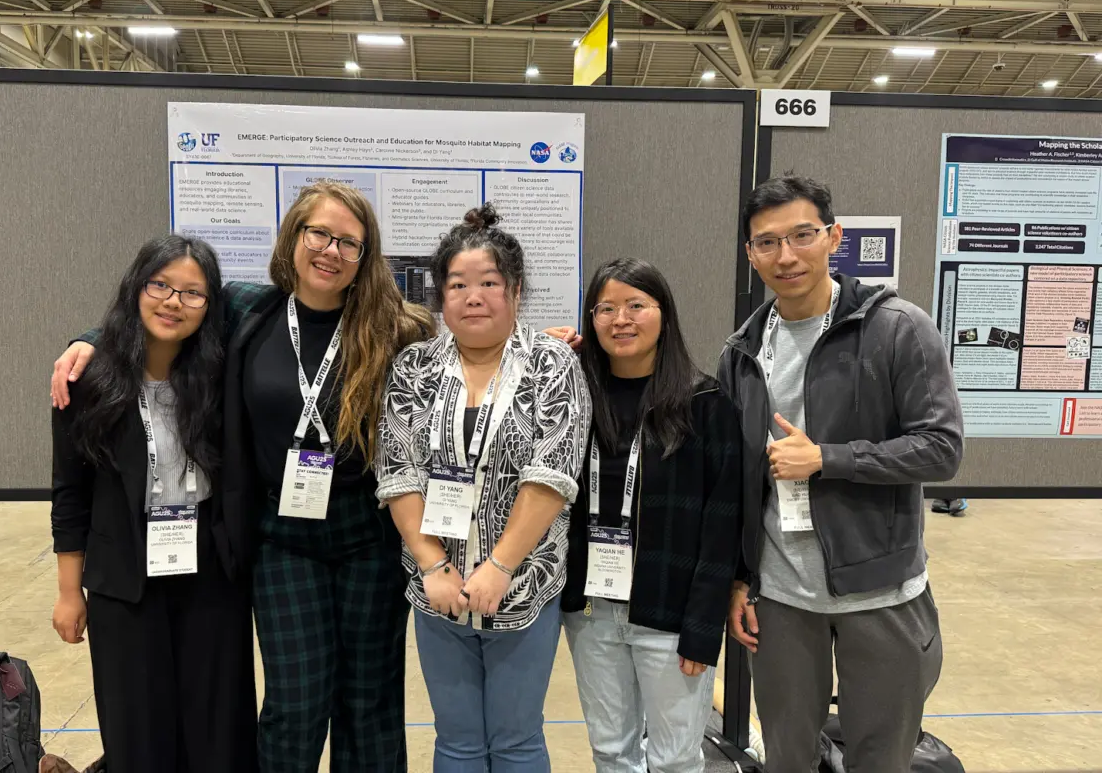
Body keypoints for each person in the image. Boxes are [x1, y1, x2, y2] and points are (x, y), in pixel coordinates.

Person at [52, 182, 434, 772]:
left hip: (369, 536)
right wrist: (89, 342)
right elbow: (166, 314)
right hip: (282, 536)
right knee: (295, 702)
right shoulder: (248, 310)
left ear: (365, 255)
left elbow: (471, 352)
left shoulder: (397, 328)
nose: (330, 251)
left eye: (349, 242)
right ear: (294, 236)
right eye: (319, 234)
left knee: (370, 700)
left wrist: (548, 345)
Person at [719, 175, 963, 773]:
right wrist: (739, 580)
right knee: (787, 756)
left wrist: (829, 459)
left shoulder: (898, 328)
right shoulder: (741, 352)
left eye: (802, 235)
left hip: (879, 590)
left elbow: (941, 449)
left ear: (834, 237)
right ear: (751, 254)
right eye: (768, 242)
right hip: (781, 595)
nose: (786, 256)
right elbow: (735, 482)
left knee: (880, 758)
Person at [376, 203, 591, 772]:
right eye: (458, 285)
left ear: (515, 291)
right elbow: (398, 472)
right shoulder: (414, 367)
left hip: (523, 583)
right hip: (437, 588)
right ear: (441, 296)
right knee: (457, 740)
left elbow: (552, 473)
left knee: (517, 738)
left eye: (490, 283)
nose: (474, 297)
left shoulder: (552, 365)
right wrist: (432, 566)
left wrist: (499, 567)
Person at [50, 235, 257, 772]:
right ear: (136, 288)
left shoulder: (221, 375)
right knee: (138, 731)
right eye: (160, 285)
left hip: (210, 574)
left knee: (217, 730)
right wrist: (70, 593)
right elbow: (69, 493)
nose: (173, 302)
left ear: (210, 306)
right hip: (124, 576)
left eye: (192, 293)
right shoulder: (88, 381)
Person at [561, 257, 743, 773]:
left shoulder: (705, 402)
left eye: (636, 305)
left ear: (664, 313)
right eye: (606, 308)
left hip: (672, 614)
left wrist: (703, 625)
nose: (621, 319)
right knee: (611, 752)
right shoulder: (574, 397)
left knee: (675, 760)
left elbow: (723, 521)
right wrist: (546, 355)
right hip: (591, 609)